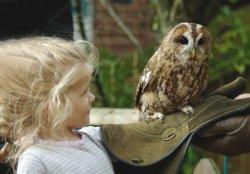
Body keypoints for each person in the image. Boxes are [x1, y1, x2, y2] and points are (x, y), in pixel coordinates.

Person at [0, 37, 114, 174]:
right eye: (84, 93)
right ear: (53, 106)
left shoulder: (94, 138)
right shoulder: (37, 159)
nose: (92, 97)